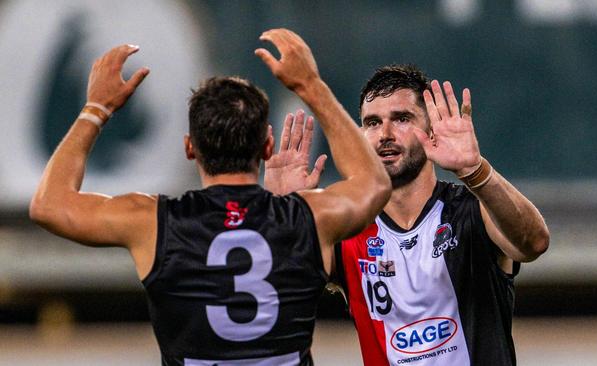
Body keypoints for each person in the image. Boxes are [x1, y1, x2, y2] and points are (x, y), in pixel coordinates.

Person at [29, 29, 391, 365]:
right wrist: (311, 86)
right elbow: (373, 183)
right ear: (267, 145)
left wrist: (96, 109)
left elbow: (49, 204)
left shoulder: (152, 222)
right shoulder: (309, 217)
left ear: (190, 148)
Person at [267, 65, 550, 365]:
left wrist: (475, 171)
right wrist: (281, 215)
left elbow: (533, 243)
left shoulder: (472, 210)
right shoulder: (348, 229)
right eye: (372, 123)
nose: (385, 135)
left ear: (430, 129)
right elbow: (275, 288)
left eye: (401, 119)